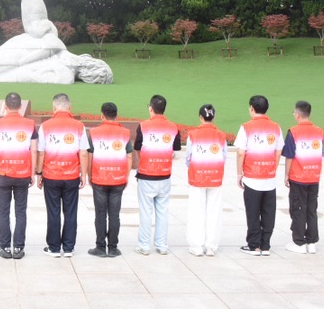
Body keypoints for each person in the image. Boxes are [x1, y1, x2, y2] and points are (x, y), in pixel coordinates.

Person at [36, 93, 89, 257]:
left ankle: (53, 248)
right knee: (70, 212)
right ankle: (68, 247)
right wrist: (84, 174)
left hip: (51, 175)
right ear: (70, 107)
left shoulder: (45, 126)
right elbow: (84, 153)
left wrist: (39, 173)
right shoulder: (79, 126)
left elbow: (41, 152)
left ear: (54, 108)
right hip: (71, 175)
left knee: (53, 212)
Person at [235, 95, 283, 256]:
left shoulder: (246, 127)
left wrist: (239, 173)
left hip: (252, 176)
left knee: (253, 212)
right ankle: (265, 245)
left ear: (251, 108)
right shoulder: (276, 127)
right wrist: (272, 168)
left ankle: (254, 245)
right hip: (269, 177)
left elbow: (240, 153)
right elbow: (278, 151)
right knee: (269, 212)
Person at [0, 92, 38, 259]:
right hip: (23, 173)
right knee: (21, 211)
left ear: (5, 106)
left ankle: (4, 247)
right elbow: (34, 150)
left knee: (3, 211)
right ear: (20, 107)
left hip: (3, 173)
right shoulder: (30, 124)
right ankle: (18, 247)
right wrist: (32, 172)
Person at [133, 95, 180, 256]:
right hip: (164, 175)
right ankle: (162, 245)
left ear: (150, 108)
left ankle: (144, 245)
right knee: (163, 211)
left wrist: (143, 161)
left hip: (147, 174)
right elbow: (175, 150)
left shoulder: (143, 126)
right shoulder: (173, 127)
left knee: (146, 212)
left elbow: (137, 148)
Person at [86, 102, 132, 258]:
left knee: (100, 214)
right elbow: (129, 156)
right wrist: (126, 176)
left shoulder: (94, 132)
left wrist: (89, 175)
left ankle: (100, 247)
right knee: (114, 214)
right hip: (118, 178)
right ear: (116, 115)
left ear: (102, 115)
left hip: (99, 178)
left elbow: (90, 156)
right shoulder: (125, 133)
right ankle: (113, 248)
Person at [185, 104, 228, 257]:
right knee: (214, 212)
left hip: (197, 176)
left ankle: (197, 246)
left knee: (196, 211)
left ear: (200, 117)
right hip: (215, 176)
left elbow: (188, 157)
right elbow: (224, 156)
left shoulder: (193, 135)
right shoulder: (221, 135)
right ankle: (211, 247)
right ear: (213, 117)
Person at [282, 101, 324, 254]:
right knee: (311, 209)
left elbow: (289, 156)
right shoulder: (319, 131)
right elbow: (320, 153)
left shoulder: (294, 132)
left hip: (299, 177)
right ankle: (311, 242)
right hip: (314, 176)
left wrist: (286, 174)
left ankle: (299, 242)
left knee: (298, 209)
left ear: (298, 115)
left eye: (294, 113)